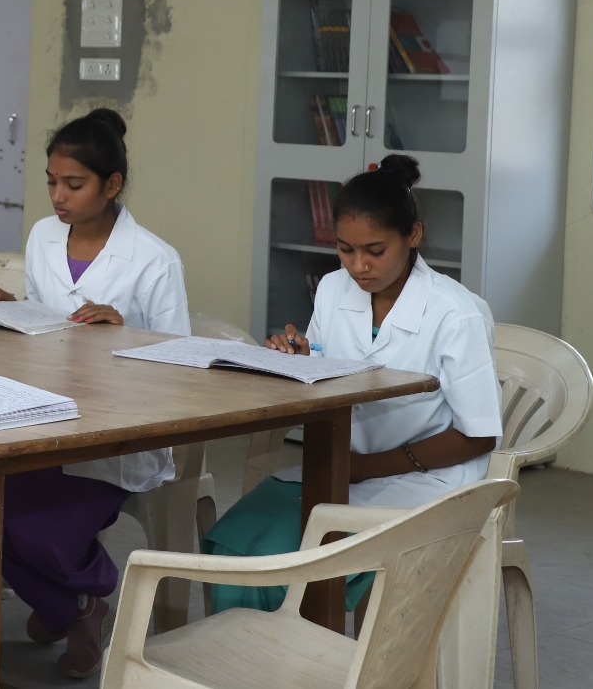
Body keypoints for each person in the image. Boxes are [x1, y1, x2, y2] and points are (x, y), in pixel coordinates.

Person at [0, 107, 190, 679]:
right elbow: (48, 322)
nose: (57, 196)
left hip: (115, 435)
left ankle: (74, 601)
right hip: (42, 411)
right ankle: (74, 608)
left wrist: (126, 330)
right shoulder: (45, 236)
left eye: (73, 184)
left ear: (112, 185)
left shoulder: (154, 258)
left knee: (26, 522)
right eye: (51, 182)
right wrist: (9, 304)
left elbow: (181, 368)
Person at [203, 154, 501, 613]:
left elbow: (479, 435)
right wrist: (297, 361)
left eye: (375, 251)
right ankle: (251, 650)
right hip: (346, 469)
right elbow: (328, 374)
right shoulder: (332, 289)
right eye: (345, 249)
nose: (359, 266)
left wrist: (367, 467)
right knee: (237, 537)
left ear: (413, 235)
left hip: (426, 481)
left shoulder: (455, 313)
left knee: (289, 552)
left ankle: (302, 651)